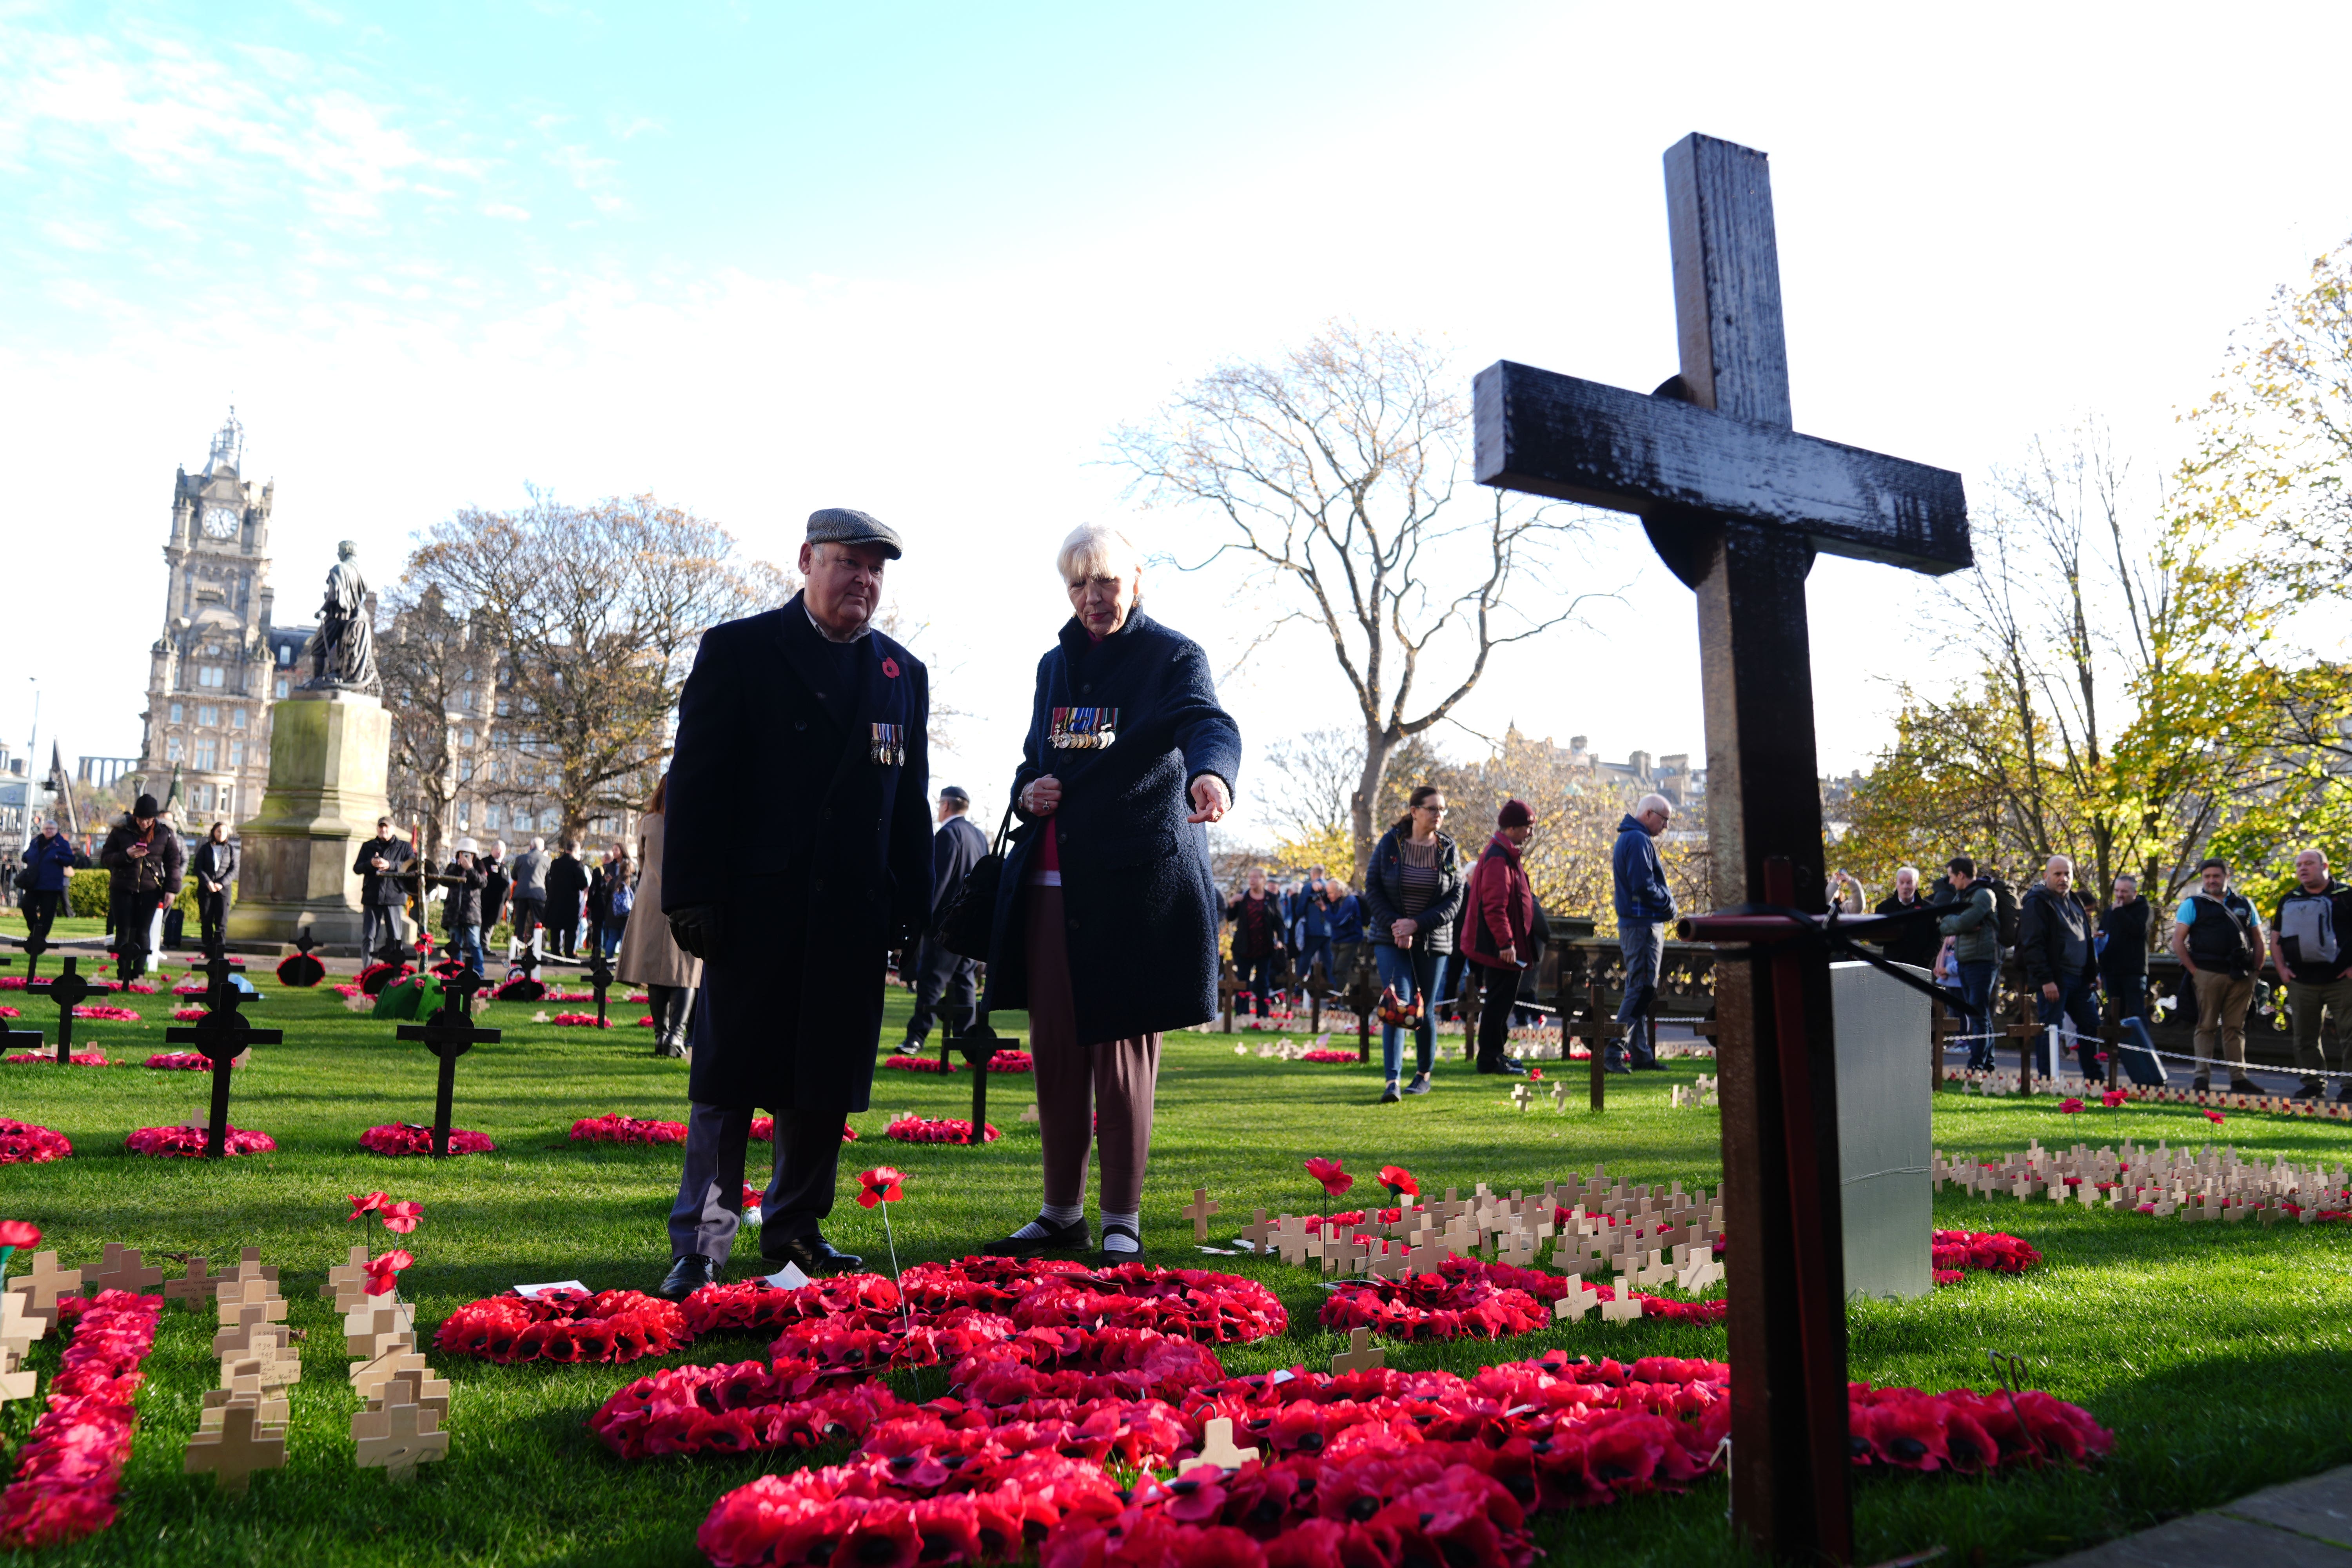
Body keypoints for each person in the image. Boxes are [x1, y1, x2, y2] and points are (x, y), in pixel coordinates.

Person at [658, 506, 931, 1294]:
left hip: (851, 914)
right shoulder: (740, 650)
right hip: (755, 910)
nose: (864, 581)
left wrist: (912, 905)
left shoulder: (900, 673)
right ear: (808, 559)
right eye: (849, 562)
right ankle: (702, 1241)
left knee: (822, 1081)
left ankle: (798, 1228)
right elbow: (699, 784)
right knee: (729, 1077)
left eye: (876, 569)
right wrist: (692, 895)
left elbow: (906, 799)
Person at [980, 522, 1238, 1262]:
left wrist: (1212, 775)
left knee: (1121, 1061)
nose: (1093, 598)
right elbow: (1032, 760)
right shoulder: (1052, 667)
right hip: (1051, 885)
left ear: (1137, 579)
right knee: (1056, 1055)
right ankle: (1060, 1211)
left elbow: (1208, 724)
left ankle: (1122, 1217)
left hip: (1132, 890)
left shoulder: (1173, 656)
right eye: (1078, 585)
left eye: (1106, 583)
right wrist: (1030, 789)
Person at [1363, 785, 1465, 1102]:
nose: (1439, 815)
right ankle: (1392, 1081)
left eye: (1443, 809)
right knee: (1397, 1003)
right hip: (1390, 936)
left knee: (1426, 1007)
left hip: (1433, 940)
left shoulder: (1448, 849)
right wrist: (1398, 925)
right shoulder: (1390, 844)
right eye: (1433, 808)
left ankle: (1423, 1075)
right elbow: (1373, 887)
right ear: (1415, 811)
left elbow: (1455, 899)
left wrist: (1416, 924)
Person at [900, 786, 990, 1054]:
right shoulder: (978, 836)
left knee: (932, 980)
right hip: (970, 925)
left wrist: (923, 917)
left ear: (946, 807)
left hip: (946, 926)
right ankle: (969, 1040)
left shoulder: (948, 834)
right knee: (964, 983)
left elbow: (937, 881)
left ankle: (916, 1037)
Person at [618, 775, 701, 1060]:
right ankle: (676, 1037)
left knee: (656, 970)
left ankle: (660, 1034)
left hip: (652, 898)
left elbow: (641, 860)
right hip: (686, 896)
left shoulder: (647, 823)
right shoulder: (694, 820)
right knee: (686, 971)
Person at [2168, 856, 2265, 1094]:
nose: (2212, 881)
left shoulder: (2245, 903)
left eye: (2216, 876)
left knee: (2235, 1028)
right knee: (2206, 1026)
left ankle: (2239, 1078)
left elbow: (2258, 939)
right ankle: (2202, 1078)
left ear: (2227, 877)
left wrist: (2256, 972)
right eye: (2207, 877)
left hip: (2241, 975)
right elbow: (2178, 941)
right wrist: (2195, 972)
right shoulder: (2193, 904)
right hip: (2207, 973)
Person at [2269, 849, 2352, 1102]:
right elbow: (2276, 940)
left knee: (2350, 1034)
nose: (2303, 869)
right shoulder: (2289, 899)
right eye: (2299, 866)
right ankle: (2313, 1084)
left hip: (2343, 981)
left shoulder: (2347, 895)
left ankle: (2350, 1085)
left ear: (2325, 866)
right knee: (2305, 1036)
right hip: (2302, 982)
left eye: (2309, 864)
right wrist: (2283, 971)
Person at [1465, 799, 1537, 1075]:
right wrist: (1506, 943)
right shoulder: (1498, 856)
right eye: (1528, 827)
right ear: (1513, 827)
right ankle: (1491, 1058)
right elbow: (1494, 906)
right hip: (1503, 947)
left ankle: (1497, 1054)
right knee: (1498, 1003)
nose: (1530, 834)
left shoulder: (1505, 853)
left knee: (1503, 1002)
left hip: (1509, 944)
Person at [2018, 855, 2100, 1080]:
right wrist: (2046, 980)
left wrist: (2093, 974)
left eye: (2068, 874)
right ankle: (2048, 1079)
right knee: (2051, 1029)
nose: (2064, 879)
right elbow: (2033, 946)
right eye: (2058, 874)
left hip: (2080, 978)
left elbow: (2087, 940)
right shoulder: (2038, 903)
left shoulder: (2075, 900)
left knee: (2091, 1026)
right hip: (2056, 978)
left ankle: (2094, 1079)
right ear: (2046, 876)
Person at [1610, 793, 1676, 1073]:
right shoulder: (1638, 840)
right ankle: (1613, 1051)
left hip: (1634, 925)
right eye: (1664, 820)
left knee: (1638, 989)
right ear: (1649, 814)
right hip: (1643, 926)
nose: (1666, 828)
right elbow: (1643, 886)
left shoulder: (1630, 837)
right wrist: (1669, 906)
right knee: (1642, 989)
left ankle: (1640, 1054)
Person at [98, 793, 182, 982]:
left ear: (154, 818)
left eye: (149, 819)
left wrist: (171, 890)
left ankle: (139, 973)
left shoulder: (165, 834)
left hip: (150, 890)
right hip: (122, 888)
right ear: (135, 816)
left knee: (143, 931)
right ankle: (123, 973)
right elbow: (105, 858)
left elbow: (173, 864)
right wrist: (126, 855)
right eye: (141, 819)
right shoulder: (120, 831)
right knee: (124, 931)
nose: (144, 823)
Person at [1938, 856, 2001, 1071]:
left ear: (1961, 875)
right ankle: (1987, 1062)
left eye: (1951, 877)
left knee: (1977, 1013)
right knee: (1979, 1013)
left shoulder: (1984, 895)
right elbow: (1943, 923)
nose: (1950, 882)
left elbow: (1962, 922)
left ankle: (1977, 1064)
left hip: (1982, 962)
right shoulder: (1962, 897)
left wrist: (1959, 924)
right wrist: (1959, 925)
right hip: (1965, 961)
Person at [1224, 867, 1286, 1019]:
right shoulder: (1242, 897)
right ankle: (1242, 1014)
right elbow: (1230, 918)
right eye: (1250, 878)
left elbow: (1279, 922)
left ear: (1263, 880)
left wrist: (1280, 941)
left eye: (1255, 878)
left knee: (1262, 981)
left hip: (1264, 948)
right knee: (1243, 980)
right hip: (1244, 947)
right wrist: (1231, 903)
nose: (1251, 881)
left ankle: (1263, 1015)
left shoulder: (1271, 898)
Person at [352, 817, 414, 961]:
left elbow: (411, 868)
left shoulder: (405, 847)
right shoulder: (368, 846)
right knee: (369, 936)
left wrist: (390, 865)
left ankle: (395, 969)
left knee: (395, 937)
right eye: (380, 827)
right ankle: (367, 970)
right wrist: (370, 864)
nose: (383, 830)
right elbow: (357, 868)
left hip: (394, 896)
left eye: (386, 827)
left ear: (393, 829)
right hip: (372, 897)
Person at [2098, 873, 2151, 1028]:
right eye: (2117, 891)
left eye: (2124, 892)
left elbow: (2138, 930)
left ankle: (2142, 1050)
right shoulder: (2109, 911)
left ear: (2134, 893)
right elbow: (2104, 935)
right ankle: (2116, 1051)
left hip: (2133, 972)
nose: (2119, 895)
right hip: (2111, 971)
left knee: (2137, 1013)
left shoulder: (2144, 910)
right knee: (2114, 1014)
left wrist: (2120, 912)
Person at [1871, 866, 1942, 971]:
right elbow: (1874, 938)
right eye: (1902, 882)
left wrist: (1927, 957)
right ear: (1896, 884)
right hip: (1892, 966)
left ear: (1917, 884)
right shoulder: (1884, 908)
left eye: (1909, 883)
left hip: (1921, 967)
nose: (1905, 887)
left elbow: (1939, 937)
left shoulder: (1929, 909)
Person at [18, 818, 76, 946]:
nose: (49, 831)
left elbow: (71, 860)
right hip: (33, 882)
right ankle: (35, 930)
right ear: (43, 830)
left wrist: (57, 858)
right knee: (27, 906)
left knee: (48, 912)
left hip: (51, 885)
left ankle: (41, 936)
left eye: (52, 829)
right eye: (46, 829)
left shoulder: (62, 843)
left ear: (56, 830)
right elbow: (26, 855)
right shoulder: (36, 841)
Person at [441, 838, 488, 975]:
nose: (466, 856)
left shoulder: (479, 867)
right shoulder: (453, 867)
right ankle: (457, 970)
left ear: (474, 855)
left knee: (474, 943)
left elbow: (483, 883)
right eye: (463, 853)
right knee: (455, 945)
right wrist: (457, 867)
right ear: (458, 854)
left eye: (469, 854)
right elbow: (444, 881)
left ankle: (479, 972)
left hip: (471, 912)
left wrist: (470, 869)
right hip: (453, 911)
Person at [188, 822, 236, 950]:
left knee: (221, 922)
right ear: (214, 832)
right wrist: (208, 882)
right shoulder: (205, 848)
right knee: (206, 920)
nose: (221, 835)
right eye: (219, 831)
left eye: (224, 832)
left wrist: (221, 883)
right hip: (206, 889)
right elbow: (198, 868)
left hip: (223, 890)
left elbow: (234, 870)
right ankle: (208, 949)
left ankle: (219, 950)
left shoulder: (231, 849)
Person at [546, 840, 588, 959]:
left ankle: (556, 955)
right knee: (570, 932)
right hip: (570, 904)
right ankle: (569, 955)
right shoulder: (576, 865)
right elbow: (583, 884)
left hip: (555, 902)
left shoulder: (555, 864)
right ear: (576, 851)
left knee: (556, 931)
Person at [507, 837, 547, 960]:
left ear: (530, 847)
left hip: (522, 894)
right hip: (538, 895)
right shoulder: (546, 860)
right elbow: (548, 878)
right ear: (543, 849)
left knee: (520, 923)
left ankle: (516, 951)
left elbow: (514, 876)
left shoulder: (520, 859)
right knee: (539, 924)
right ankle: (538, 951)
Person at [1323, 877, 1366, 991]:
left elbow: (1338, 921)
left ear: (1340, 891)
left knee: (1340, 969)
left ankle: (1340, 998)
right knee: (1334, 970)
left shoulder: (1350, 901)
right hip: (1337, 940)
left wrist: (1324, 909)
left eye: (1331, 893)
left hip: (1350, 940)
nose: (1328, 896)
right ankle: (1339, 995)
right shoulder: (1333, 902)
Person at [590, 844, 633, 957]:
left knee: (619, 938)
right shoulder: (610, 867)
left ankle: (614, 963)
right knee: (614, 937)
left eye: (616, 850)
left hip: (623, 909)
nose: (614, 852)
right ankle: (609, 962)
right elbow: (605, 888)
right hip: (613, 908)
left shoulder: (629, 867)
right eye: (613, 850)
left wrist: (612, 883)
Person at [480, 840, 512, 943]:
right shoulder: (485, 863)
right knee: (485, 923)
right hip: (486, 900)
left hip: (499, 902)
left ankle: (485, 944)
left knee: (491, 923)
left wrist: (507, 899)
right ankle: (483, 945)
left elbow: (507, 884)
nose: (500, 852)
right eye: (498, 849)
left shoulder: (504, 866)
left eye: (502, 850)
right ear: (492, 850)